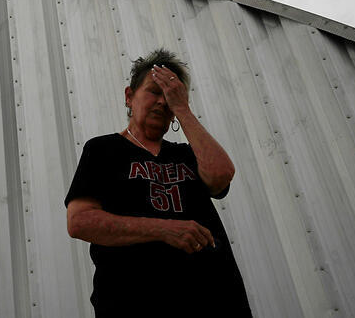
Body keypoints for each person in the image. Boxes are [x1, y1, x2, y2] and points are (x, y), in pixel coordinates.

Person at [65, 49, 251, 316]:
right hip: (133, 302)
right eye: (154, 91)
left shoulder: (188, 154)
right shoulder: (103, 150)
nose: (163, 102)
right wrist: (164, 229)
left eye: (170, 95)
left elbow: (221, 176)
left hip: (216, 300)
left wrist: (183, 109)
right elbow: (79, 222)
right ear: (129, 96)